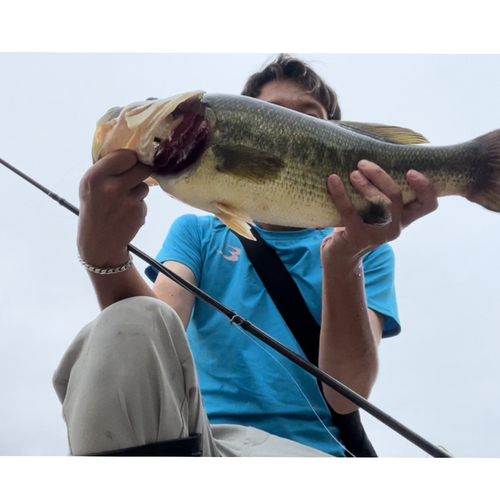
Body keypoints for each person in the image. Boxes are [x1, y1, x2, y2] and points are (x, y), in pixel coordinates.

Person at [53, 54, 438, 457]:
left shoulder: (368, 252)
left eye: (310, 116)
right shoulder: (198, 233)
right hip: (203, 442)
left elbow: (346, 397)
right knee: (130, 317)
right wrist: (105, 254)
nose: (291, 122)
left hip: (314, 455)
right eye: (273, 112)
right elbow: (153, 328)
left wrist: (345, 260)